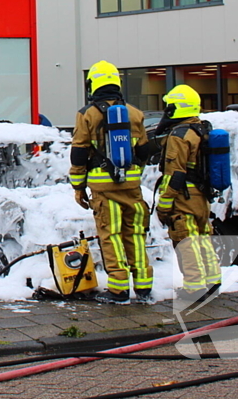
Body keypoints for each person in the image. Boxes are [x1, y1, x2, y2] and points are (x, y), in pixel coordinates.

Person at [70, 60, 153, 304]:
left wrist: (78, 187)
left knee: (111, 235)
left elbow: (79, 153)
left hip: (103, 188)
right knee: (135, 235)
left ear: (93, 84)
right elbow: (144, 151)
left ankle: (118, 289)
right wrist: (132, 173)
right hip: (132, 186)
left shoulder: (87, 114)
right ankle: (144, 286)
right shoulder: (135, 113)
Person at [155, 85, 222, 304]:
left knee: (186, 240)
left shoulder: (179, 134)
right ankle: (212, 280)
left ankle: (194, 287)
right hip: (201, 195)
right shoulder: (201, 129)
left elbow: (174, 174)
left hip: (184, 195)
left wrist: (164, 204)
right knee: (202, 238)